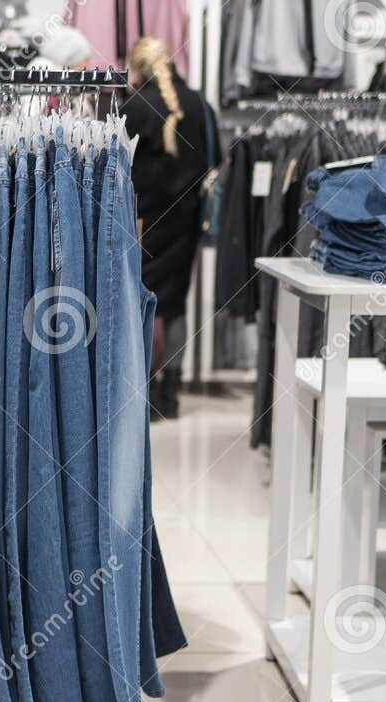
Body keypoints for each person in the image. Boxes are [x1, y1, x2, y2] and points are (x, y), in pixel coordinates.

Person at [124, 36, 218, 419]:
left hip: (141, 221)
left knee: (140, 304)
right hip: (185, 222)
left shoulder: (133, 106)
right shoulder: (201, 106)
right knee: (176, 304)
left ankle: (142, 392)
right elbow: (216, 160)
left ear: (138, 67)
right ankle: (173, 393)